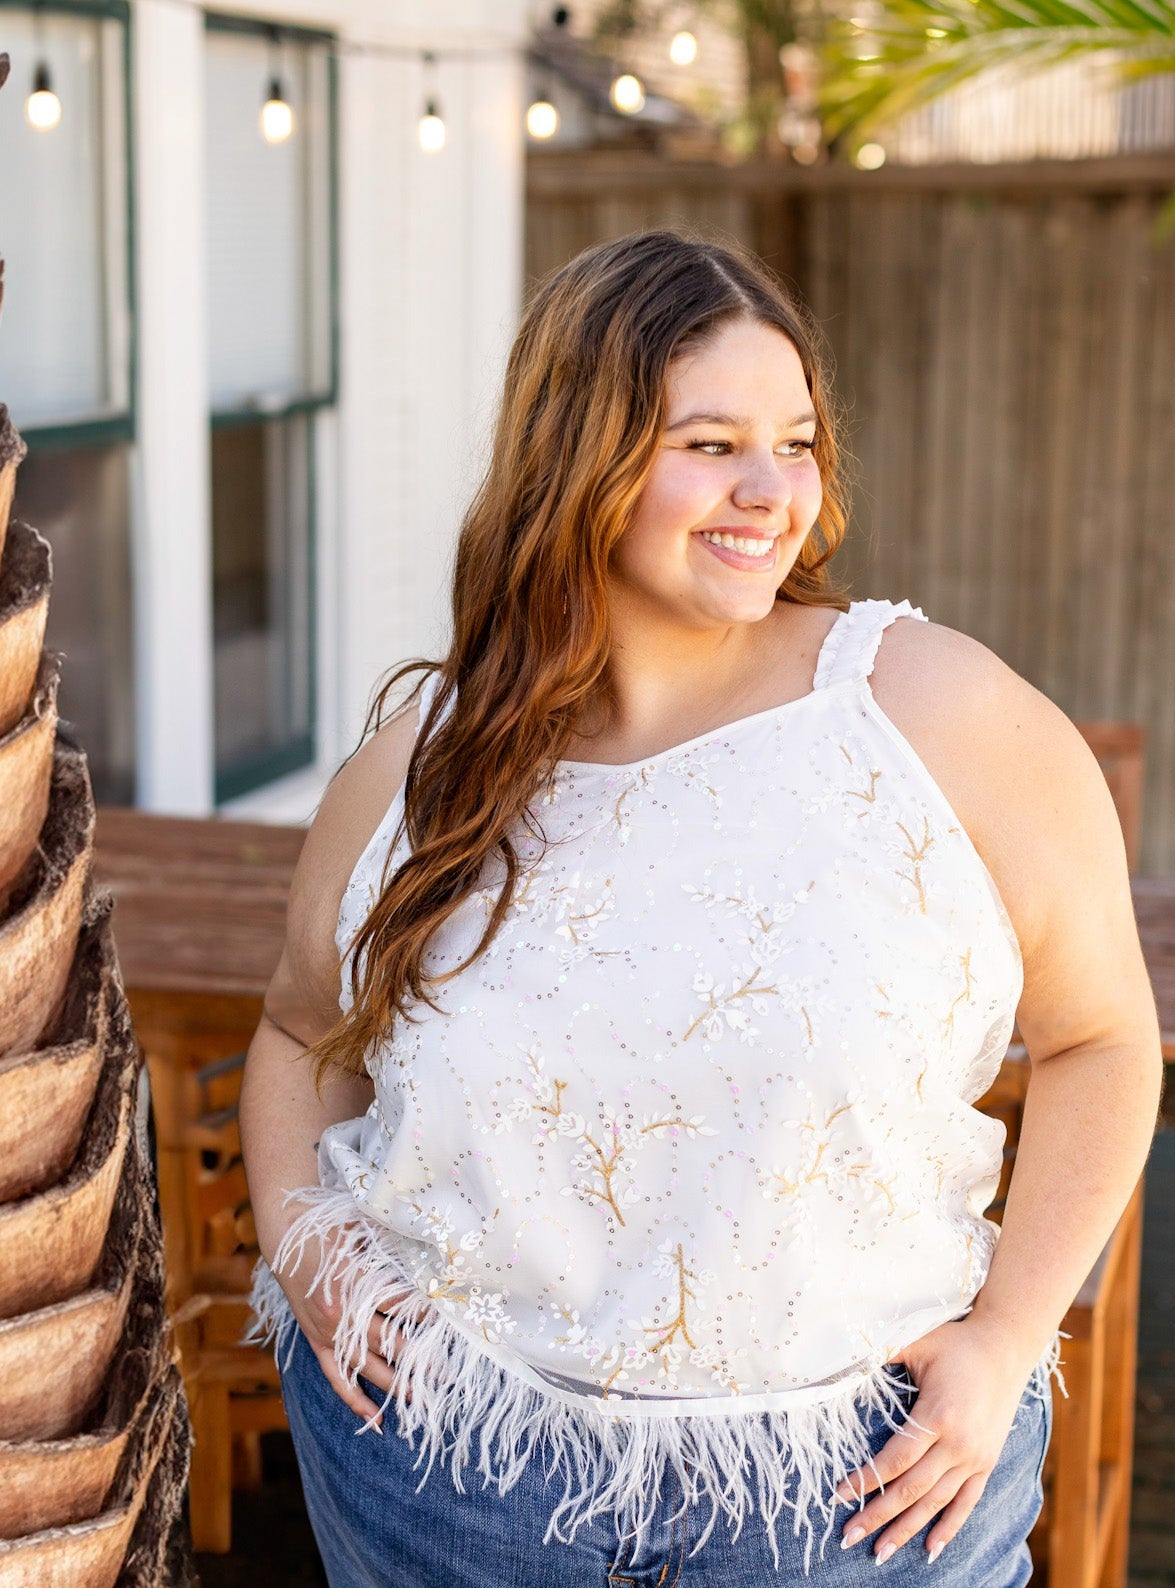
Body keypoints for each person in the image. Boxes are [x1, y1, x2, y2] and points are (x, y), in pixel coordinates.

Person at [241, 227, 1162, 1588]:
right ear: (577, 459)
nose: (770, 493)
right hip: (448, 1478)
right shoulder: (419, 764)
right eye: (711, 443)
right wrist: (307, 1246)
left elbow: (1101, 1041)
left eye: (795, 443)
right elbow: (294, 1037)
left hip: (855, 1503)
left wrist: (1009, 1340)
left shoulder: (941, 717)